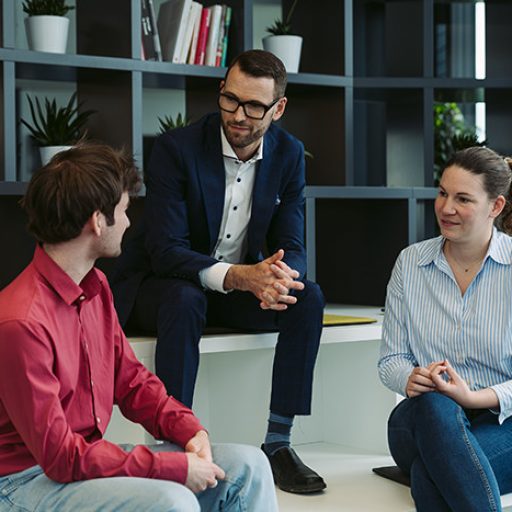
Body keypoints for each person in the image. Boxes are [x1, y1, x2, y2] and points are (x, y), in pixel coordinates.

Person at [0, 143, 278, 512]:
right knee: (172, 499)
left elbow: (131, 382)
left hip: (83, 462)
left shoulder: (96, 286)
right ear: (97, 221)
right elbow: (60, 457)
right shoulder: (21, 322)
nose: (129, 223)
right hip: (25, 481)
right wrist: (171, 467)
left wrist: (189, 430)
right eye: (124, 210)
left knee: (249, 467)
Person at [111, 49, 326, 494]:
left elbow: (296, 244)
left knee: (308, 297)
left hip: (235, 289)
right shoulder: (177, 149)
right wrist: (241, 277)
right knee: (185, 298)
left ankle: (278, 443)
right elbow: (166, 250)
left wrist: (279, 280)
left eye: (254, 106)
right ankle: (173, 443)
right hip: (163, 286)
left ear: (278, 108)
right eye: (230, 100)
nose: (238, 116)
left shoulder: (287, 155)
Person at [378, 146, 512, 511]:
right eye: (442, 193)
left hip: (502, 423)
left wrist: (473, 399)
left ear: (495, 207)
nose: (446, 208)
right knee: (437, 405)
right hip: (421, 420)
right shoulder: (411, 263)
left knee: (430, 475)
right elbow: (390, 359)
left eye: (463, 199)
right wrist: (410, 377)